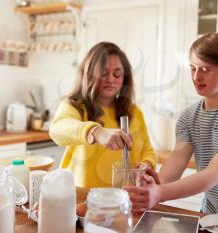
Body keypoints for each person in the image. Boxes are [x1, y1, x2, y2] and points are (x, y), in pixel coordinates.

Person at [125, 32, 218, 215]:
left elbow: (215, 172)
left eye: (206, 69)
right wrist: (155, 186)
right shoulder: (189, 116)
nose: (196, 77)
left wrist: (159, 193)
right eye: (193, 68)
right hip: (211, 216)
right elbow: (178, 158)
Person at [49, 42, 157, 188]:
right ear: (89, 74)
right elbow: (58, 128)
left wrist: (144, 166)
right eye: (104, 73)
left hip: (123, 198)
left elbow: (147, 150)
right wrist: (96, 132)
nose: (111, 79)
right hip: (81, 198)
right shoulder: (75, 106)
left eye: (117, 74)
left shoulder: (134, 112)